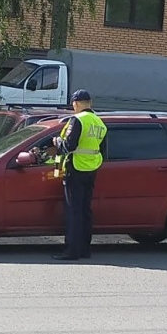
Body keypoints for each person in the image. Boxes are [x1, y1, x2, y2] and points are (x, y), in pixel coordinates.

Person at [51, 89, 107, 261]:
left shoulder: (77, 120)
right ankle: (84, 249)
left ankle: (72, 251)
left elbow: (68, 146)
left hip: (75, 169)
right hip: (91, 170)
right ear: (90, 103)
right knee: (85, 210)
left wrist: (56, 141)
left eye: (73, 104)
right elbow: (103, 151)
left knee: (74, 211)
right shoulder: (100, 123)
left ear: (76, 103)